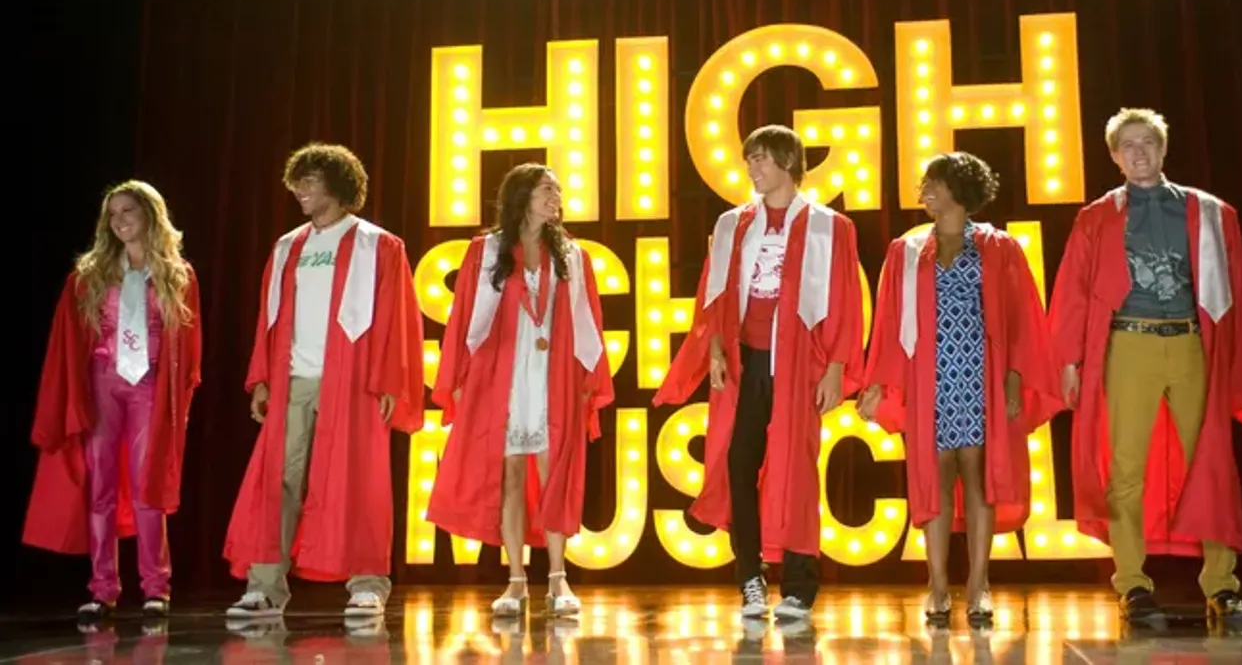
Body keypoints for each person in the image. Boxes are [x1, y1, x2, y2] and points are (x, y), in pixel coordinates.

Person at [1049, 108, 1242, 622]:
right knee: (1124, 468)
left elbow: (1234, 294)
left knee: (1211, 460)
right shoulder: (1097, 217)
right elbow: (1074, 290)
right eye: (1128, 145)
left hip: (1191, 344)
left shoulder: (1210, 213)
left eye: (1147, 142)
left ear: (1163, 149)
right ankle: (1132, 585)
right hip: (1130, 343)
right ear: (1115, 156)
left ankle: (1221, 584)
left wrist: (1233, 357)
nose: (1139, 152)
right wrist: (1069, 359)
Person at [653, 125, 865, 622]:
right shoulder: (733, 224)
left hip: (799, 363)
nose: (751, 168)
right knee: (738, 465)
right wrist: (715, 351)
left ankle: (799, 585)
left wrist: (836, 368)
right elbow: (714, 294)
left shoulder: (829, 226)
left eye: (761, 159)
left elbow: (845, 299)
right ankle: (749, 576)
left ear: (788, 163)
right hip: (745, 360)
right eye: (749, 159)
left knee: (796, 469)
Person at [856, 153, 1062, 625]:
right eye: (925, 181)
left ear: (962, 190)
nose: (926, 190)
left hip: (979, 374)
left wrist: (1013, 379)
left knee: (978, 476)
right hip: (927, 376)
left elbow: (1020, 319)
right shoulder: (906, 251)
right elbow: (888, 322)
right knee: (934, 476)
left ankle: (979, 584)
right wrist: (880, 384)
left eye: (937, 182)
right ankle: (937, 585)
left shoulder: (999, 247)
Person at [223, 143, 424, 622]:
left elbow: (397, 319)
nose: (300, 190)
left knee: (359, 482)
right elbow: (268, 318)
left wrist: (389, 380)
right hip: (294, 377)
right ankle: (265, 588)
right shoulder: (287, 246)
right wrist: (261, 379)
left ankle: (367, 585)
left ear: (337, 185)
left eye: (309, 181)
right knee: (279, 481)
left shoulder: (379, 245)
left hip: (353, 381)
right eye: (297, 182)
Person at [428, 163, 614, 617]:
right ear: (522, 196)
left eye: (558, 191)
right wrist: (458, 379)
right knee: (510, 475)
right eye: (547, 189)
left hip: (552, 375)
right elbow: (464, 319)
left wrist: (588, 380)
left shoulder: (572, 255)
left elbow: (589, 322)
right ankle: (515, 581)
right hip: (504, 377)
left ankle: (558, 577)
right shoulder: (486, 251)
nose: (556, 198)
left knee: (554, 475)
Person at [23, 180, 202, 622]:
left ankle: (156, 587)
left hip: (149, 384)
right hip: (104, 381)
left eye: (128, 211)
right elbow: (67, 341)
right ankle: (102, 589)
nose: (119, 221)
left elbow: (190, 345)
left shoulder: (177, 274)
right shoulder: (91, 274)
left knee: (147, 486)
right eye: (113, 214)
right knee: (99, 485)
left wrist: (179, 395)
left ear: (150, 215)